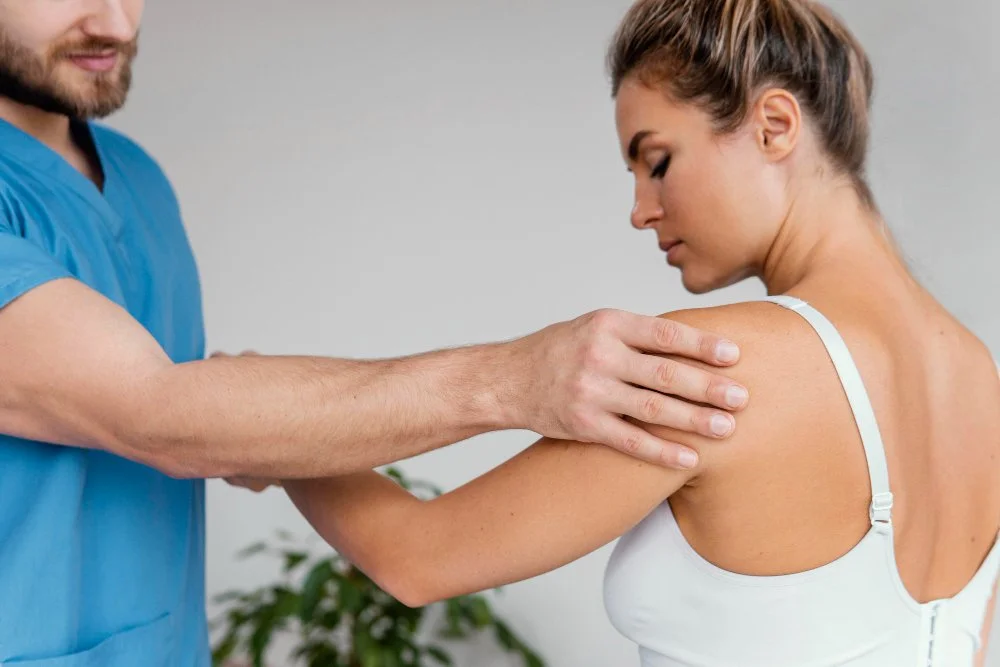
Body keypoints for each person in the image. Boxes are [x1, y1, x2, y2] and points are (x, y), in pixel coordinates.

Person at [0, 1, 756, 665]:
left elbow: (193, 425)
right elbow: (158, 413)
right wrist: (521, 377)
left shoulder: (138, 178)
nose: (115, 21)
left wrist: (250, 421)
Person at [272, 0, 1000, 665]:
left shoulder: (724, 365)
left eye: (656, 162)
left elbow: (415, 558)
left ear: (775, 126)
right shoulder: (980, 374)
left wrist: (276, 443)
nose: (640, 210)